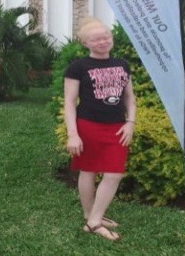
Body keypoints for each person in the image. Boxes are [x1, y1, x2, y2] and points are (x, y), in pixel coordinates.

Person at [64, 17, 136, 241]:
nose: (103, 41)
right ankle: (91, 218)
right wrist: (72, 134)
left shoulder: (122, 64)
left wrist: (130, 123)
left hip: (116, 128)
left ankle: (95, 218)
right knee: (88, 170)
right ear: (86, 43)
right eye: (96, 39)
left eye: (106, 36)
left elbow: (129, 98)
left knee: (114, 173)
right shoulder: (78, 67)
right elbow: (69, 102)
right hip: (88, 125)